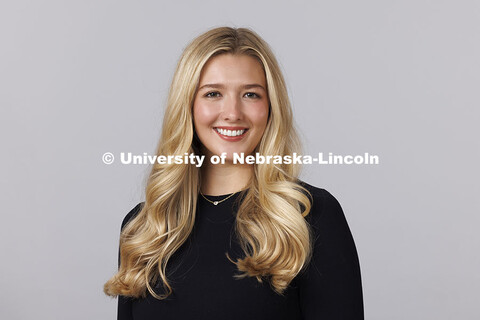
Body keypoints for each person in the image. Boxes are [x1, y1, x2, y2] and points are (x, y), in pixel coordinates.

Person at [104, 26, 364, 319]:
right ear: (187, 106)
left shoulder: (309, 216)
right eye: (213, 93)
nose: (232, 112)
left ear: (270, 107)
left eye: (251, 94)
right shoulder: (145, 228)